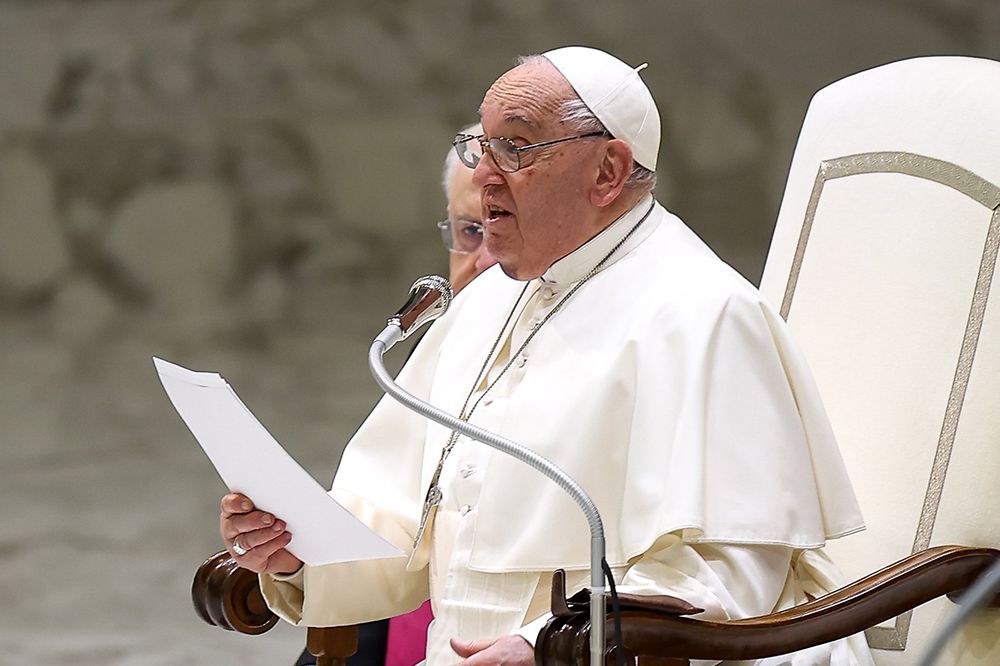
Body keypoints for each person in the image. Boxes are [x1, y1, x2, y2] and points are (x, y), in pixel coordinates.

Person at [220, 47, 874, 666]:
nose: (482, 176)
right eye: (480, 147)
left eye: (517, 147)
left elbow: (723, 576)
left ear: (609, 172)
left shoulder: (704, 314)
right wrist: (295, 551)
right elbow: (400, 527)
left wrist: (548, 647)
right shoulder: (486, 304)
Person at [292, 123, 497, 666]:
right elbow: (388, 522)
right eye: (468, 231)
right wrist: (289, 549)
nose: (484, 260)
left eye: (502, 226)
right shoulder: (448, 345)